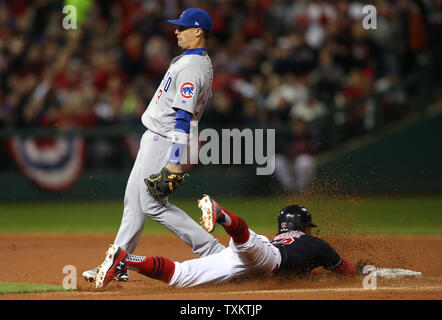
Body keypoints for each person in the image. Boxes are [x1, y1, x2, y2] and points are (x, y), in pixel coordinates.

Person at [83, 9, 226, 282]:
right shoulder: (192, 60)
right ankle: (119, 262)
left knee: (153, 204)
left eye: (182, 27)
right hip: (156, 136)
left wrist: (174, 160)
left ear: (198, 31)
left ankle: (212, 250)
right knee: (134, 203)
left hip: (165, 139)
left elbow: (183, 117)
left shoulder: (194, 67)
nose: (176, 31)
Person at [95, 195, 359, 288]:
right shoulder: (318, 245)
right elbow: (344, 271)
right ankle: (221, 215)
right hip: (268, 259)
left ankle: (126, 259)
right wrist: (359, 270)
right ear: (305, 227)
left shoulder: (280, 238)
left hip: (244, 262)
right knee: (245, 242)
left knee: (180, 276)